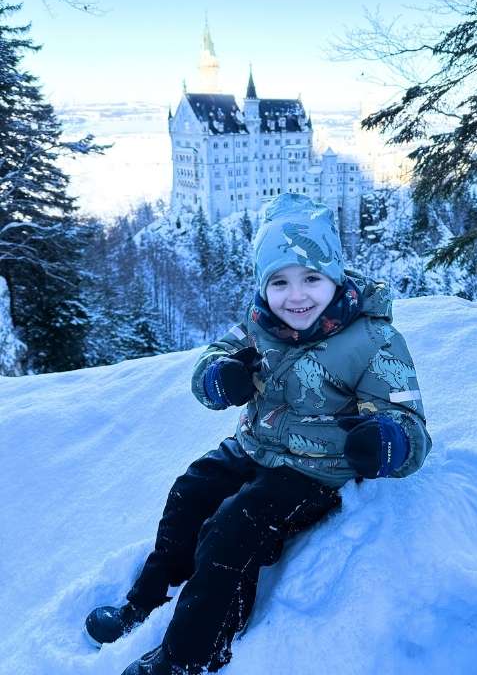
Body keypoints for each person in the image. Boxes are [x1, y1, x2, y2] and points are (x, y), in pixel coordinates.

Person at [85, 193, 432, 674]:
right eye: (279, 282)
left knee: (235, 527)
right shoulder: (259, 323)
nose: (296, 296)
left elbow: (408, 424)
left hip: (316, 470)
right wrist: (219, 377)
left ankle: (191, 656)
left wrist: (387, 441)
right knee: (192, 490)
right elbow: (210, 361)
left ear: (334, 277)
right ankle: (148, 602)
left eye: (311, 278)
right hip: (254, 446)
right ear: (263, 286)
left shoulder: (373, 339)